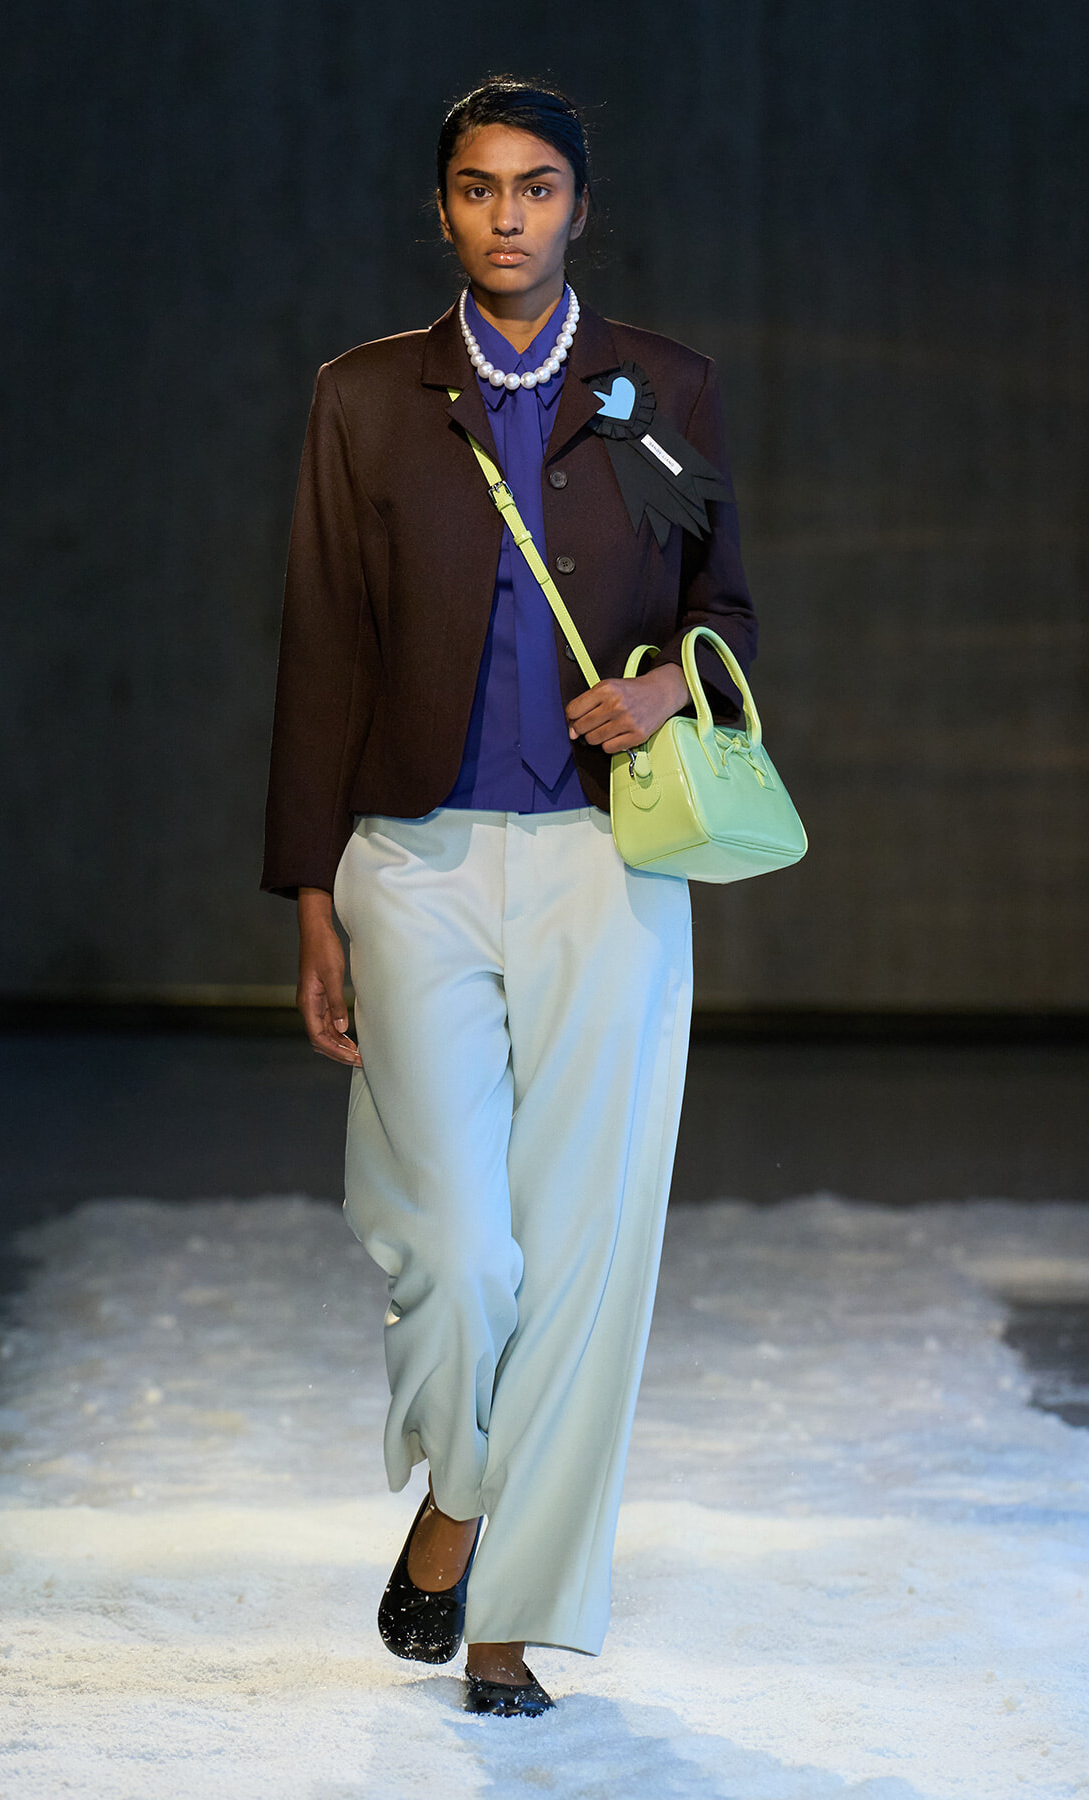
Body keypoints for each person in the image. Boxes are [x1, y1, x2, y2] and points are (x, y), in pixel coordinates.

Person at [262, 76, 757, 1717]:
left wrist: (671, 695)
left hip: (608, 866)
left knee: (590, 1246)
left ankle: (501, 1618)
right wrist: (312, 896)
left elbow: (725, 612)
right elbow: (322, 646)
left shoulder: (657, 387)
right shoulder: (367, 396)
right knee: (464, 1248)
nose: (508, 216)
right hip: (407, 861)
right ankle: (463, 1496)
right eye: (479, 189)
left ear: (578, 207)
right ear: (445, 207)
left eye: (537, 188)